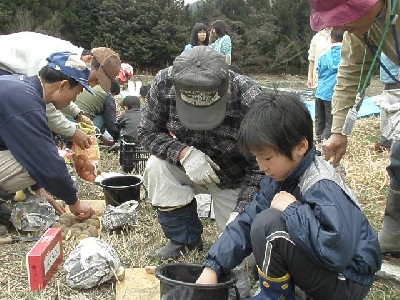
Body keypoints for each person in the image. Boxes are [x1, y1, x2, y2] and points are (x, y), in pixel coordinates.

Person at [196, 92, 382, 299]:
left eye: (267, 157)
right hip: (329, 269)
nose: (262, 166)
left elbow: (336, 251)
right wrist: (212, 267)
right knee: (259, 221)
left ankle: (272, 295)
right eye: (256, 158)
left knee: (268, 223)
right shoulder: (280, 176)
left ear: (301, 146)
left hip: (348, 279)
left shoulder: (321, 184)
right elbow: (246, 221)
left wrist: (293, 210)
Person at [137, 46, 263, 297]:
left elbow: (263, 165)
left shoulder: (252, 99)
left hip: (234, 177)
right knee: (156, 168)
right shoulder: (164, 83)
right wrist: (183, 153)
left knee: (244, 259)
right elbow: (146, 132)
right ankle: (184, 239)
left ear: (226, 88)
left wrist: (242, 210)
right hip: (188, 165)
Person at [309, 0, 400, 255]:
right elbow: (350, 73)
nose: (341, 26)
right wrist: (339, 131)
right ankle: (396, 231)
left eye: (344, 17)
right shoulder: (361, 27)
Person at [0, 52, 96, 225]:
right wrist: (74, 202)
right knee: (44, 159)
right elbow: (44, 159)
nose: (75, 99)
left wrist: (39, 189)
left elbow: (17, 144)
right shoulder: (26, 103)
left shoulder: (22, 89)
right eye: (77, 92)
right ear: (63, 85)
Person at [0, 32, 121, 150]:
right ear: (88, 59)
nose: (92, 85)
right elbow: (40, 102)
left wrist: (78, 114)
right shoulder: (54, 58)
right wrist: (73, 132)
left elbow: (59, 94)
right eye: (95, 79)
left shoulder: (69, 60)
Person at [314, 30, 343, 144]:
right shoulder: (346, 56)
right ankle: (326, 141)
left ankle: (318, 138)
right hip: (333, 93)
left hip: (320, 91)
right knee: (330, 121)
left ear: (331, 39)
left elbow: (319, 72)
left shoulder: (323, 56)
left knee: (319, 118)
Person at [375, 53, 400, 151]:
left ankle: (392, 142)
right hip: (388, 77)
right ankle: (386, 140)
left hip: (396, 79)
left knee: (395, 111)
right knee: (386, 109)